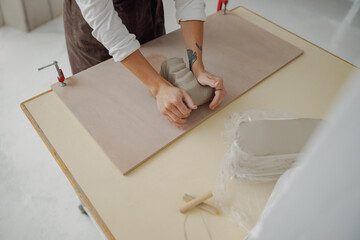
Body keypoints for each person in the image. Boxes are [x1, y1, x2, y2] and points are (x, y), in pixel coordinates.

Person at [63, 0, 226, 129]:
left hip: (144, 11)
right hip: (97, 32)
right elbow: (105, 23)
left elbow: (189, 1)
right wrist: (159, 88)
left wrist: (197, 67)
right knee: (107, 115)